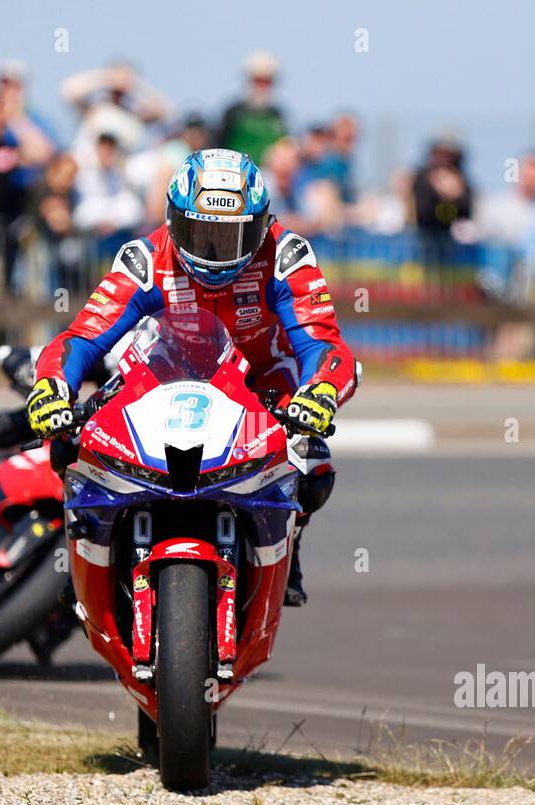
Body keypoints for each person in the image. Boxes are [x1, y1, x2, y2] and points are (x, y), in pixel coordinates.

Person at [25, 148, 359, 605]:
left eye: (232, 237)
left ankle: (288, 541)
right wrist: (52, 387)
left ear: (262, 224)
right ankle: (87, 552)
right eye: (199, 234)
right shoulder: (144, 258)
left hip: (259, 378)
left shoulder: (286, 254)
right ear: (171, 219)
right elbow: (82, 337)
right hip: (164, 371)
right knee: (69, 442)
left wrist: (320, 391)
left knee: (312, 460)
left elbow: (322, 343)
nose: (214, 253)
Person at [217, 52, 287, 165]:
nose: (262, 87)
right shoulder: (234, 113)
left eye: (266, 82)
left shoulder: (277, 115)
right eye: (258, 81)